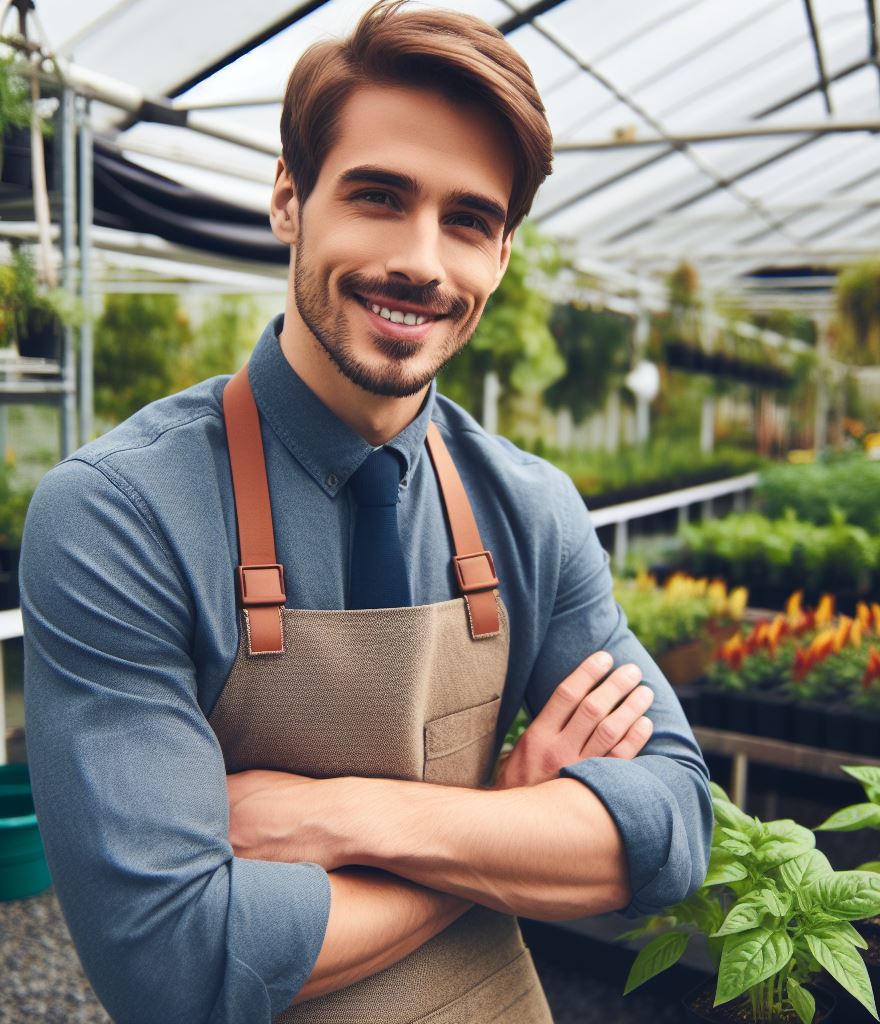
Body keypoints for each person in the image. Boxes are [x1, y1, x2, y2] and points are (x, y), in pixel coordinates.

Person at [21, 3, 713, 1022]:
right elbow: (177, 963)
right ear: (289, 199)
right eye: (379, 196)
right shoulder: (122, 515)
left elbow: (670, 830)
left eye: (468, 219)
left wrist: (338, 817)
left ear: (502, 255)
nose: (422, 262)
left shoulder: (527, 506)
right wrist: (513, 829)